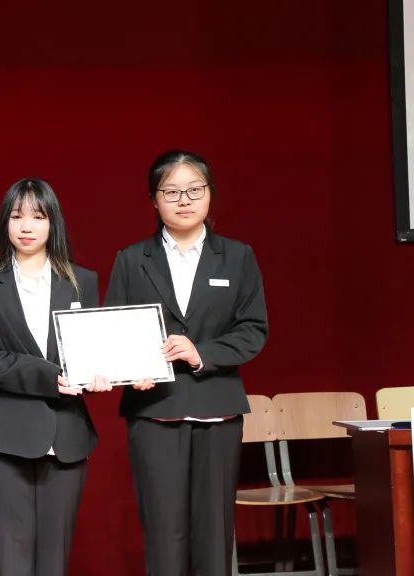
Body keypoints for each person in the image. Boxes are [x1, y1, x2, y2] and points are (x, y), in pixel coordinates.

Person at [106, 150, 268, 575]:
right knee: (163, 531)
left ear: (210, 194)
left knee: (215, 531)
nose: (184, 200)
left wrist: (203, 354)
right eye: (171, 191)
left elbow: (253, 329)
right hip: (154, 409)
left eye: (194, 190)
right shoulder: (131, 259)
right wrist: (130, 370)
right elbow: (115, 328)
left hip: (218, 406)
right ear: (153, 199)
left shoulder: (238, 256)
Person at [0, 178, 110, 576]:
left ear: (53, 223)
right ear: (5, 223)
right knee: (11, 559)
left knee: (54, 560)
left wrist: (102, 374)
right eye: (17, 217)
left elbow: (91, 353)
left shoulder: (82, 280)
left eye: (38, 216)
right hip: (8, 436)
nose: (26, 226)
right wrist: (52, 377)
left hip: (67, 436)